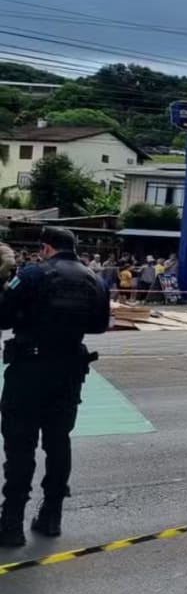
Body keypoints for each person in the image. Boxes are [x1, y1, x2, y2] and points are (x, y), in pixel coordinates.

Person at [0, 227, 110, 547]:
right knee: (58, 442)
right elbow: (99, 325)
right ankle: (51, 515)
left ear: (45, 248)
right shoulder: (95, 280)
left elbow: (3, 317)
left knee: (21, 446)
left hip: (29, 371)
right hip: (69, 372)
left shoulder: (33, 274)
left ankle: (11, 523)